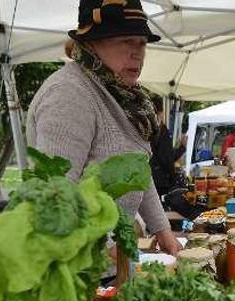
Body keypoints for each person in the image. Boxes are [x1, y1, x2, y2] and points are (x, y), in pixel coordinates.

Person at [26, 0, 180, 255]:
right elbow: (57, 196)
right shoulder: (69, 94)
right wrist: (107, 249)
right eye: (125, 41)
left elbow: (137, 172)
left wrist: (163, 231)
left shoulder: (123, 95)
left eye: (141, 42)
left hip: (111, 262)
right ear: (92, 43)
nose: (137, 53)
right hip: (78, 264)